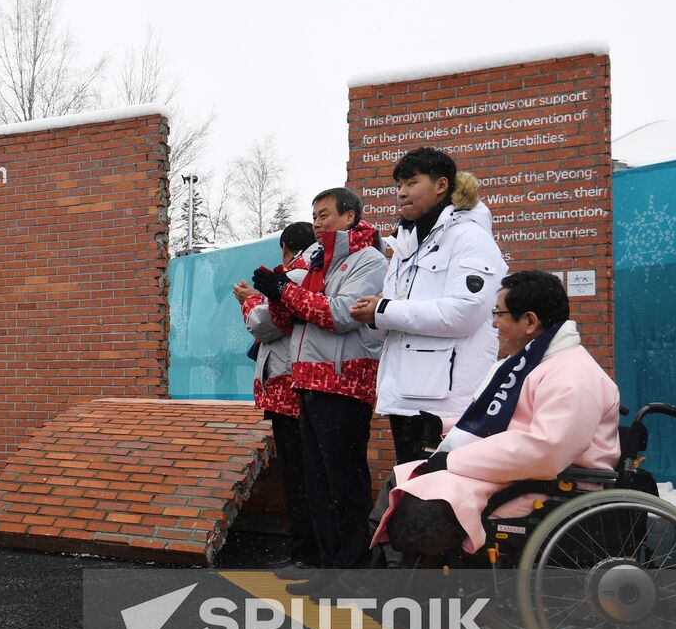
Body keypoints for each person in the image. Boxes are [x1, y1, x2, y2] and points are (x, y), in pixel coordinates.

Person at [373, 271, 620, 558]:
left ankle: (404, 581)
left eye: (498, 314)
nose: (493, 323)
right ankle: (390, 573)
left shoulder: (572, 374)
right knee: (402, 479)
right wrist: (440, 426)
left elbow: (546, 450)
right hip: (516, 474)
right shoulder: (528, 363)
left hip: (551, 488)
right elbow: (502, 422)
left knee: (421, 507)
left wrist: (453, 458)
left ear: (529, 321)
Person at [252, 188, 386, 585]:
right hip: (307, 379)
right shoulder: (316, 259)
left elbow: (340, 315)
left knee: (344, 481)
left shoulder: (369, 259)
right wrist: (276, 293)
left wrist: (283, 291)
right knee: (318, 482)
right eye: (314, 215)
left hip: (345, 381)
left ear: (349, 216)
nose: (317, 223)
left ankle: (352, 571)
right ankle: (328, 567)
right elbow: (290, 318)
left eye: (325, 215)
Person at [349, 148, 507, 467]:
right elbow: (392, 324)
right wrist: (373, 318)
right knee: (411, 498)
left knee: (440, 500)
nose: (401, 193)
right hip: (405, 396)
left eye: (410, 182)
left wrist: (383, 311)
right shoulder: (407, 244)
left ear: (441, 185)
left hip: (445, 404)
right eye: (398, 186)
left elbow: (463, 313)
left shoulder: (469, 238)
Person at [232, 221, 318, 571]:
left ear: (286, 247)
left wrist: (249, 299)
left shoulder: (296, 273)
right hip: (298, 385)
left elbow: (264, 323)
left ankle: (306, 554)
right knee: (305, 475)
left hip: (289, 386)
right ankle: (309, 551)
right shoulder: (311, 269)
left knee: (300, 477)